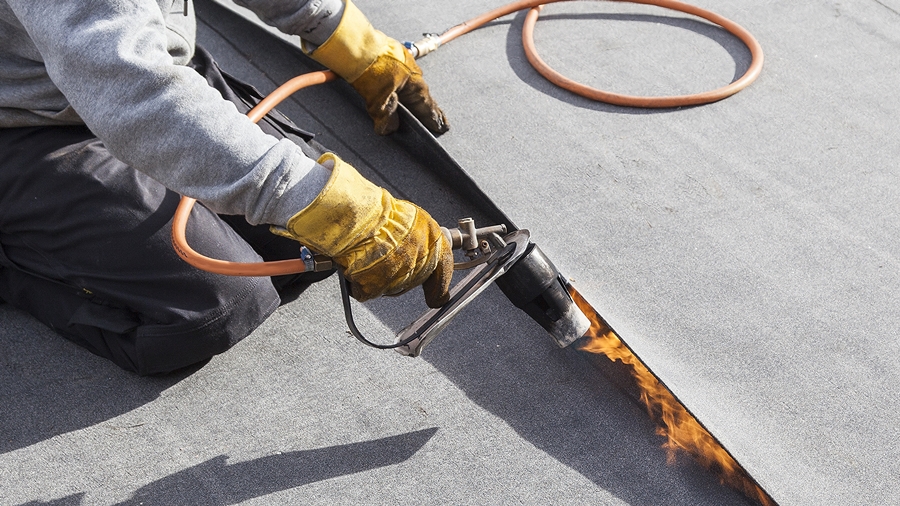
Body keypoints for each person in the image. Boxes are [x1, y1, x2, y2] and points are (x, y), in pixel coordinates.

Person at [0, 0, 453, 375]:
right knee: (216, 308)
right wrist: (320, 203)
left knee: (300, 254)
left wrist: (342, 33)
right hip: (27, 121)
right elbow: (132, 90)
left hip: (137, 65)